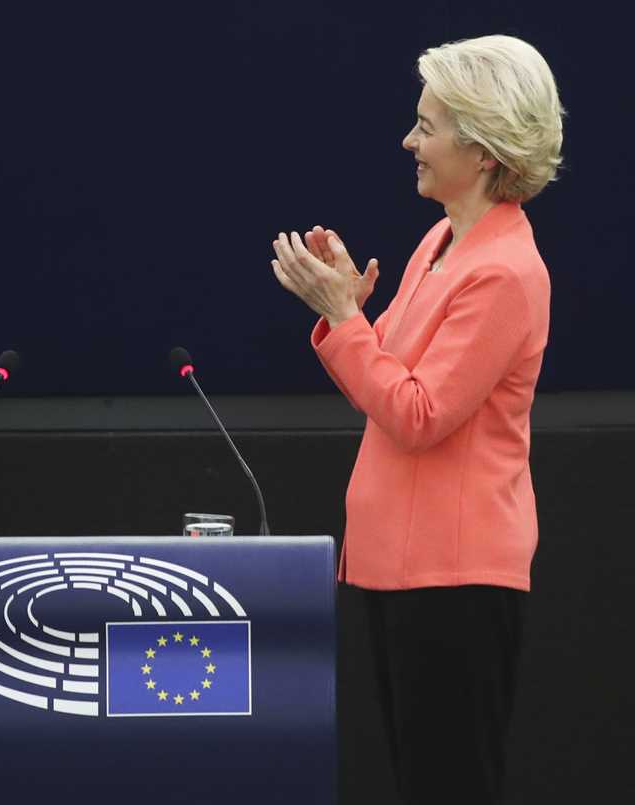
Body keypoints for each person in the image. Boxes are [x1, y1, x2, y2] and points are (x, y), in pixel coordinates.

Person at [269, 35, 565, 805]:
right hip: (395, 565)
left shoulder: (505, 270)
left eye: (427, 126)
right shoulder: (440, 243)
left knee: (447, 785)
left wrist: (346, 320)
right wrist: (346, 309)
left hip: (455, 575)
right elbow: (384, 380)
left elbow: (418, 413)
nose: (410, 141)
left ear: (484, 144)